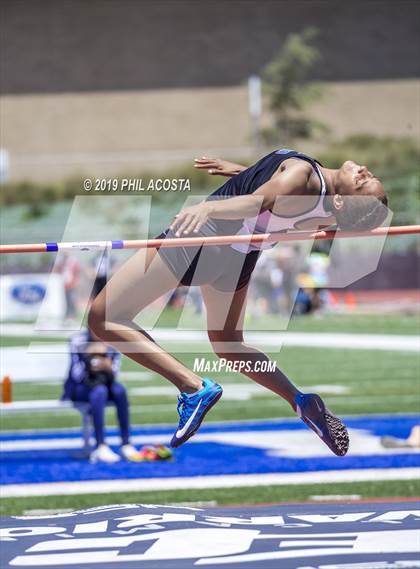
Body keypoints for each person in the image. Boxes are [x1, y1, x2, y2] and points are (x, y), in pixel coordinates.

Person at [89, 149, 389, 457]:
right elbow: (277, 192)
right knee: (228, 343)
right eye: (369, 177)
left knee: (103, 317)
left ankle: (192, 387)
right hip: (237, 259)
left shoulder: (303, 175)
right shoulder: (324, 208)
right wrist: (244, 173)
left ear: (342, 199)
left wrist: (209, 209)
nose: (364, 171)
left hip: (205, 239)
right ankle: (298, 400)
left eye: (362, 182)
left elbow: (259, 201)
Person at [62, 328, 139, 463]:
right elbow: (76, 374)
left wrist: (102, 362)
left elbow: (114, 372)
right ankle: (100, 445)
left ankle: (126, 444)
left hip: (104, 383)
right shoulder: (77, 340)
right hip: (80, 388)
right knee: (99, 392)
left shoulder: (113, 340)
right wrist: (90, 360)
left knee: (120, 391)